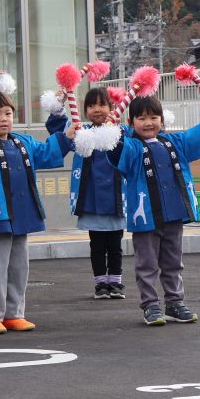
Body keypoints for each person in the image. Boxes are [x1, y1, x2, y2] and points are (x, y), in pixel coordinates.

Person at [0, 91, 74, 334]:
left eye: (8, 114)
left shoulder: (24, 141)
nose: (4, 119)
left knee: (19, 267)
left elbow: (46, 153)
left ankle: (13, 313)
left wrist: (66, 138)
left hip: (23, 213)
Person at [107, 95, 200, 326]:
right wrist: (111, 131)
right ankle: (150, 305)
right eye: (142, 118)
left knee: (173, 262)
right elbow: (115, 152)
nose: (149, 123)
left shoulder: (175, 142)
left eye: (154, 117)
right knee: (146, 263)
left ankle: (174, 302)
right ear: (131, 122)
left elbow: (197, 135)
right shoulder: (130, 146)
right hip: (145, 216)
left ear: (162, 119)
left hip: (174, 214)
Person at [47, 88, 127, 300]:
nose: (97, 109)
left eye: (102, 105)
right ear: (84, 110)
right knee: (97, 245)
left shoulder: (121, 132)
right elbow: (58, 129)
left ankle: (116, 282)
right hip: (91, 199)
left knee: (116, 245)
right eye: (91, 106)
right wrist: (58, 105)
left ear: (112, 108)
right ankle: (101, 283)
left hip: (116, 199)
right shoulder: (81, 132)